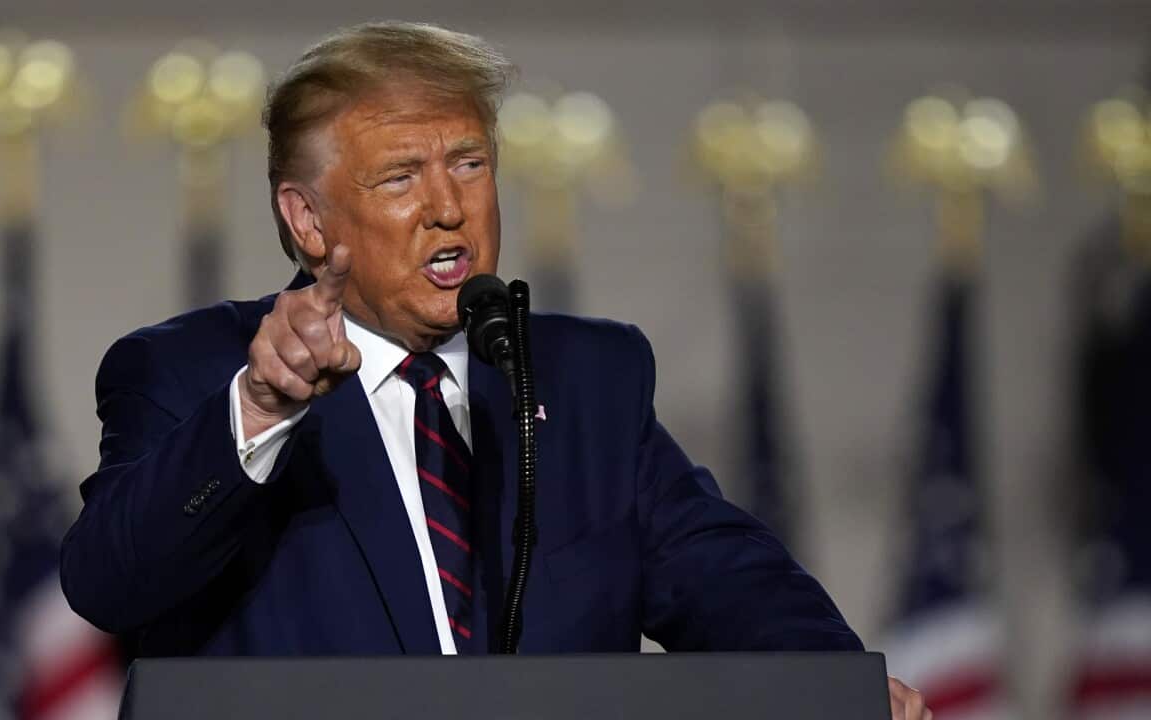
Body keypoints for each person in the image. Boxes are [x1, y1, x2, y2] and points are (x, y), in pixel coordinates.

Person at [60, 21, 930, 719]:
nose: (449, 207)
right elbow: (109, 583)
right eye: (401, 177)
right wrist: (259, 408)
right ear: (309, 221)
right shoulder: (191, 373)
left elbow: (728, 577)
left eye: (470, 164)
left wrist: (837, 684)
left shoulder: (585, 379)